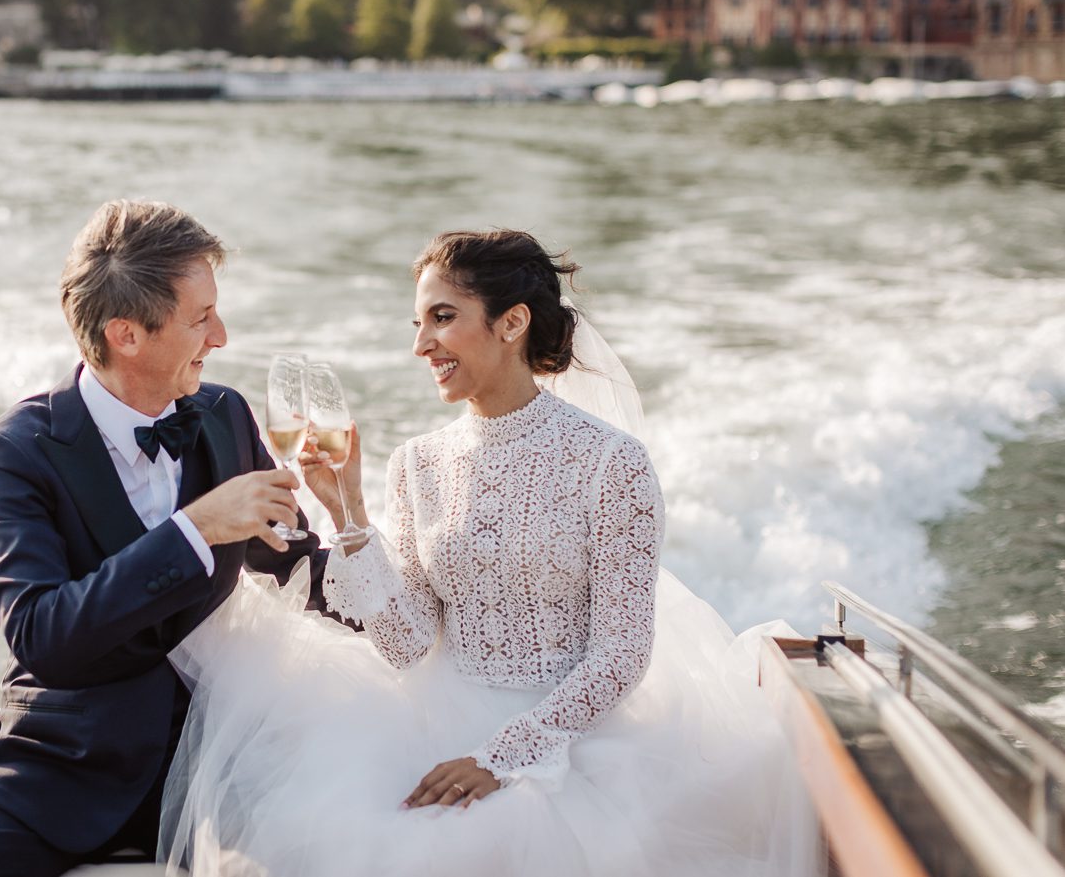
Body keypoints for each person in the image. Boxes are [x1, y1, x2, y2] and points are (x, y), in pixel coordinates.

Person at [160, 230, 822, 877]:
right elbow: (410, 644)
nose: (421, 344)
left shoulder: (612, 462)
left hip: (579, 739)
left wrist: (501, 756)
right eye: (417, 322)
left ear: (512, 323)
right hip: (430, 722)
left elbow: (621, 652)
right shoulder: (417, 461)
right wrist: (347, 511)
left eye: (441, 319)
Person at [0, 199, 333, 876]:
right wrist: (194, 529)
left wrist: (370, 539)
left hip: (217, 760)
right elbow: (44, 634)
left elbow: (297, 566)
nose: (220, 336)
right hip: (62, 761)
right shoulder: (11, 455)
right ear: (127, 335)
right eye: (201, 319)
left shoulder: (225, 415)